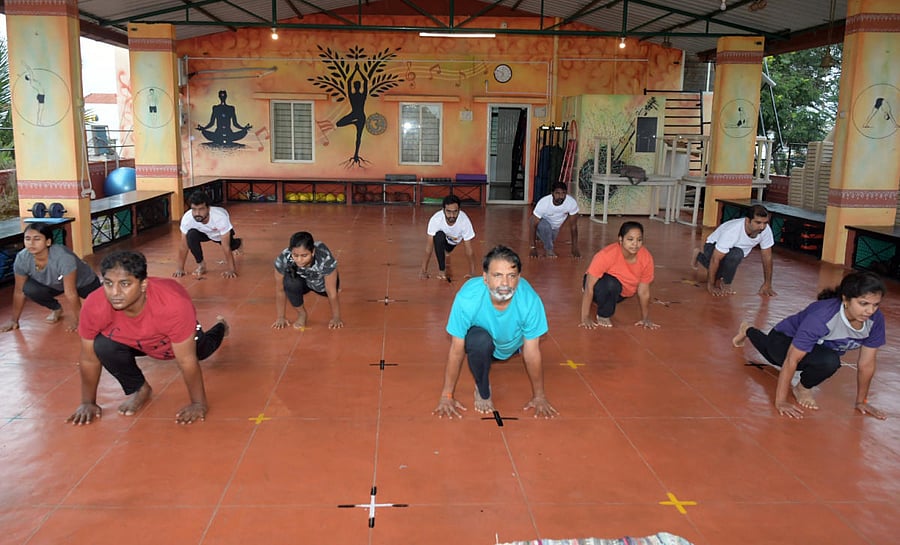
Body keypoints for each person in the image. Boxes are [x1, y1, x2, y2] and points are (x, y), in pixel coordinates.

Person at [68, 251, 229, 426]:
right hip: (134, 342)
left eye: (125, 284)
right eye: (108, 283)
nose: (115, 292)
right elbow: (88, 359)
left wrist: (198, 403)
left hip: (172, 342)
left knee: (203, 350)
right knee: (103, 345)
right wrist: (87, 402)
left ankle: (221, 327)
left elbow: (186, 360)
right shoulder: (95, 304)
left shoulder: (173, 305)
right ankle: (140, 388)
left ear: (143, 284)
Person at [733, 271, 887, 420]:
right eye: (863, 303)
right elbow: (791, 360)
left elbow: (866, 364)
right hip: (783, 338)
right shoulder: (822, 317)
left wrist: (862, 401)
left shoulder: (875, 320)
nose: (870, 310)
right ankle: (748, 330)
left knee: (830, 361)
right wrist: (781, 401)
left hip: (815, 350)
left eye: (875, 305)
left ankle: (802, 388)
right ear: (846, 300)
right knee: (775, 357)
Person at [433, 245, 557, 419]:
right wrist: (447, 395)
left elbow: (532, 352)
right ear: (485, 278)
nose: (505, 283)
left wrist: (539, 396)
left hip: (513, 347)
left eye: (511, 276)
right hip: (484, 345)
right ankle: (482, 389)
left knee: (521, 345)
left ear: (519, 279)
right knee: (478, 341)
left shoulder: (530, 301)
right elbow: (456, 349)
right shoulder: (467, 298)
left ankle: (497, 355)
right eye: (497, 276)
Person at [0, 223, 100, 333]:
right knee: (28, 288)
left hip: (84, 282)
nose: (31, 243)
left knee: (103, 309)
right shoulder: (22, 258)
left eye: (37, 239)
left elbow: (70, 292)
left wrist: (80, 322)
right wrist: (14, 320)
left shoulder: (63, 257)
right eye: (27, 239)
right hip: (55, 284)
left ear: (48, 242)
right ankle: (56, 308)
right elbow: (19, 292)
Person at [580, 221, 658, 330]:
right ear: (621, 240)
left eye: (639, 240)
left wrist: (645, 318)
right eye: (630, 239)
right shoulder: (606, 255)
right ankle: (603, 314)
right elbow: (589, 286)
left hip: (619, 294)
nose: (635, 244)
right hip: (598, 284)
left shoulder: (646, 258)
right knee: (612, 284)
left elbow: (643, 292)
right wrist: (585, 317)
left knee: (615, 287)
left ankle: (605, 300)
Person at [691, 204, 777, 297]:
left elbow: (767, 257)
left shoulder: (765, 230)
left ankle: (724, 280)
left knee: (734, 256)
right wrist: (711, 285)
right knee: (731, 259)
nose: (762, 227)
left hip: (733, 251)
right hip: (712, 246)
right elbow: (715, 259)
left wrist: (767, 284)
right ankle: (699, 255)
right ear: (748, 220)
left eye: (765, 223)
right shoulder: (732, 231)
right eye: (758, 223)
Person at [272, 231, 343, 330]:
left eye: (304, 256)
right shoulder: (284, 258)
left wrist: (336, 317)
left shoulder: (324, 257)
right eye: (295, 255)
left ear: (313, 252)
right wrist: (281, 317)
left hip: (321, 284)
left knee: (331, 289)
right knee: (289, 282)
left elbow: (331, 292)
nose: (299, 260)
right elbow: (280, 289)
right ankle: (302, 314)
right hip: (303, 281)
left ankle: (335, 282)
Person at [174, 191, 242, 278]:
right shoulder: (187, 219)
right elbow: (183, 246)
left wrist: (231, 270)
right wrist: (180, 269)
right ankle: (201, 265)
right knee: (191, 235)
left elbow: (226, 247)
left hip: (218, 233)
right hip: (203, 233)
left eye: (201, 209)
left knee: (232, 246)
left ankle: (238, 243)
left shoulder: (220, 217)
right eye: (194, 209)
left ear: (208, 209)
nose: (197, 213)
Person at [419, 194, 476, 281]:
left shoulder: (464, 221)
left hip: (453, 243)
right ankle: (442, 271)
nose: (452, 215)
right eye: (448, 212)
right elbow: (429, 248)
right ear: (443, 210)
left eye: (455, 212)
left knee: (447, 248)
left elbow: (469, 250)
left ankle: (447, 251)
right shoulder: (436, 220)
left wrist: (472, 273)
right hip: (442, 241)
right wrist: (423, 271)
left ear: (459, 210)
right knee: (439, 236)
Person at [530, 182, 580, 259]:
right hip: (542, 223)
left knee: (550, 238)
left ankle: (540, 235)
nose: (560, 196)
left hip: (555, 228)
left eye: (563, 193)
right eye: (557, 193)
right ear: (552, 193)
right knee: (545, 227)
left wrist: (575, 248)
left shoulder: (571, 203)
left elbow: (573, 227)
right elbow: (533, 225)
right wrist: (533, 248)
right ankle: (549, 250)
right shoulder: (543, 203)